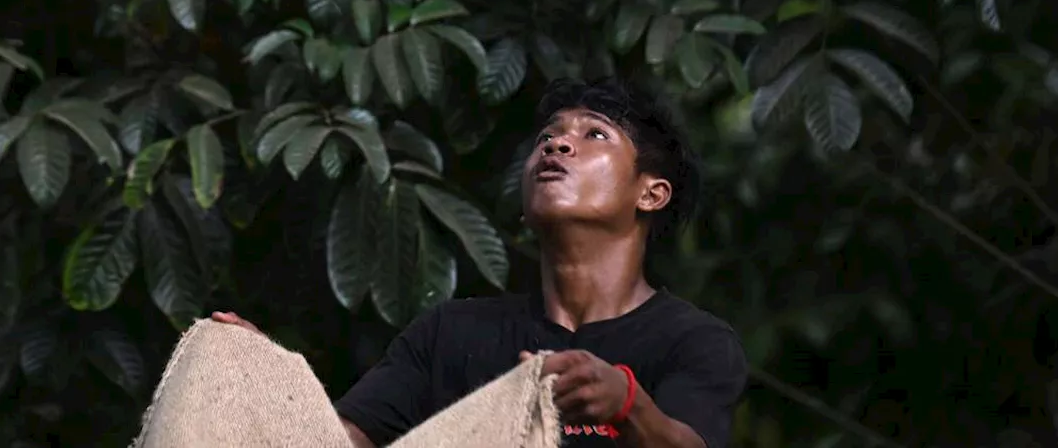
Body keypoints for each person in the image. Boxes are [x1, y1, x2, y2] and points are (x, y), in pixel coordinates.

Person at [212, 77, 748, 447]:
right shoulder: (450, 333)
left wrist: (627, 402)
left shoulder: (694, 341)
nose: (558, 144)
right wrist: (275, 384)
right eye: (548, 137)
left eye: (594, 134)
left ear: (651, 194)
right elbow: (344, 441)